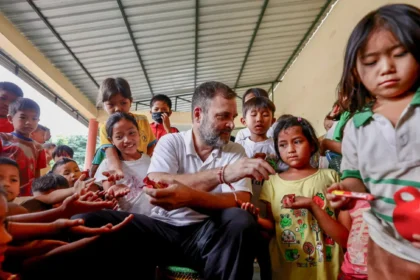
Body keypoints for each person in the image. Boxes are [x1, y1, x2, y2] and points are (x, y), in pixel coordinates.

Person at [75, 81, 276, 279]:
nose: (231, 124)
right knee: (87, 220)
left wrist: (188, 196)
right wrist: (222, 174)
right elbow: (156, 185)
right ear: (198, 115)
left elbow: (239, 200)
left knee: (241, 220)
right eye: (223, 116)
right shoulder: (170, 142)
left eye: (232, 117)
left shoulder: (235, 150)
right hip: (162, 230)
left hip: (209, 234)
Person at [327, 4, 420, 279]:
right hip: (385, 240)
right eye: (371, 61)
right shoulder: (357, 126)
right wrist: (344, 190)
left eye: (400, 54)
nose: (387, 68)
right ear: (355, 71)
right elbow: (355, 177)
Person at [243, 115, 345, 280]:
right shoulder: (272, 183)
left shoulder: (331, 177)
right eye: (283, 145)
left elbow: (345, 237)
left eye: (297, 141)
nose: (290, 149)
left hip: (327, 271)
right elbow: (274, 227)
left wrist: (313, 206)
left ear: (312, 144)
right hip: (287, 271)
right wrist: (256, 219)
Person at [236, 96, 279, 280]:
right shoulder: (239, 146)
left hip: (269, 204)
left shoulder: (277, 145)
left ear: (273, 120)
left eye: (265, 114)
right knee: (245, 250)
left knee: (267, 252)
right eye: (253, 114)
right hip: (247, 204)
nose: (259, 119)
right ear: (243, 120)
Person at [95, 77, 155, 177]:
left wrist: (143, 162)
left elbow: (151, 145)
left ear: (131, 101)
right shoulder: (104, 128)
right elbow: (111, 153)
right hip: (121, 170)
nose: (118, 108)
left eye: (123, 103)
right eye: (111, 104)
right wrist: (116, 170)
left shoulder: (143, 120)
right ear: (104, 105)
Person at [94, 112, 152, 215]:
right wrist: (111, 195)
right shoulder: (107, 166)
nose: (127, 140)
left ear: (139, 133)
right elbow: (109, 198)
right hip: (125, 223)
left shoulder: (151, 161)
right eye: (119, 137)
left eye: (131, 133)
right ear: (111, 140)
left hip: (154, 222)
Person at [0, 98, 46, 196]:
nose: (29, 122)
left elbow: (37, 175)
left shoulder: (39, 148)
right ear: (10, 118)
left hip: (26, 194)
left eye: (34, 119)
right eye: (23, 117)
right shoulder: (3, 138)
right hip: (3, 190)